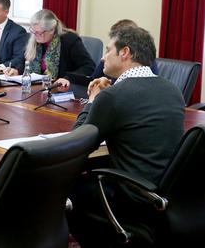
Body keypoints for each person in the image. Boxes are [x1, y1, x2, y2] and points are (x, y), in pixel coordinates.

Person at [68, 26, 185, 246]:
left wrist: (93, 99)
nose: (102, 58)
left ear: (125, 53)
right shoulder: (172, 89)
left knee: (67, 191)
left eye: (108, 50)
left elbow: (76, 143)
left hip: (132, 197)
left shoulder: (113, 96)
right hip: (166, 195)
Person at [18, 9, 95, 91]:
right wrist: (16, 70)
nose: (35, 35)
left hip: (62, 90)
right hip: (36, 89)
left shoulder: (69, 40)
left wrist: (68, 78)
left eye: (39, 33)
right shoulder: (34, 39)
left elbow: (88, 66)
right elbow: (24, 63)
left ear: (52, 30)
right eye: (33, 31)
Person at [91, 19, 158, 82]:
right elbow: (93, 78)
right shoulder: (109, 58)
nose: (102, 58)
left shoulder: (147, 64)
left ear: (124, 52)